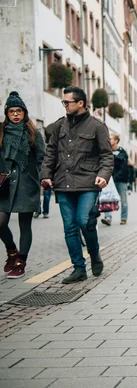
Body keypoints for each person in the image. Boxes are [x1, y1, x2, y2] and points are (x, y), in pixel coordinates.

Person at [40, 86, 113, 284]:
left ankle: (94, 254)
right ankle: (79, 268)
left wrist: (104, 175)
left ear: (80, 103)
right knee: (70, 228)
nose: (64, 105)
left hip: (88, 183)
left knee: (84, 221)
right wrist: (45, 175)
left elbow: (107, 155)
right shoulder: (58, 126)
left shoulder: (97, 126)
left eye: (67, 102)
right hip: (63, 184)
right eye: (63, 102)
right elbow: (50, 153)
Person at [0, 92, 46, 279]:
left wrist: (43, 180)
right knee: (1, 222)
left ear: (24, 113)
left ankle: (21, 261)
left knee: (25, 224)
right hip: (5, 185)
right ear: (7, 113)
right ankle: (12, 251)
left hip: (27, 185)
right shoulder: (1, 132)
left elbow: (42, 159)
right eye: (12, 111)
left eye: (19, 111)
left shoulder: (34, 134)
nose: (16, 114)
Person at [101, 134, 128, 226]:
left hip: (120, 180)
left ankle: (123, 218)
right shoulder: (107, 151)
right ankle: (108, 218)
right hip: (109, 179)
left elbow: (123, 167)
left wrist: (116, 176)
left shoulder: (122, 152)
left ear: (116, 141)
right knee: (108, 198)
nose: (109, 140)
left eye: (111, 139)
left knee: (123, 200)